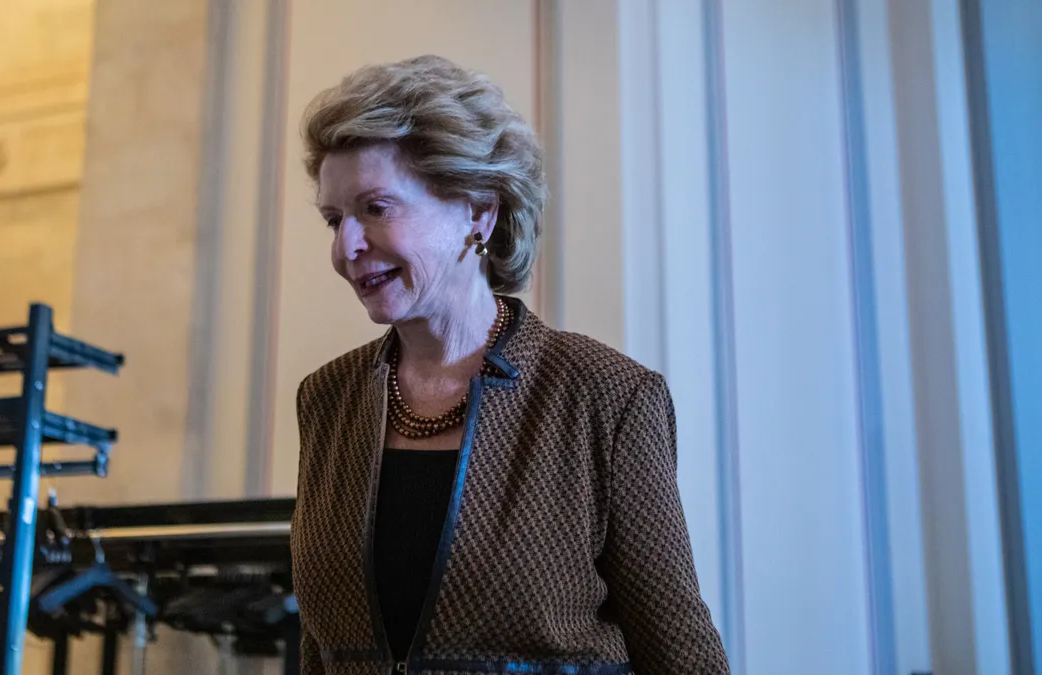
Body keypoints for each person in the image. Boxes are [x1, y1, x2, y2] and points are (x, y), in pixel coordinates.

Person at [290, 54, 730, 675]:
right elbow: (321, 651)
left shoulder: (606, 395)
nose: (346, 247)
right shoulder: (327, 397)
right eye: (334, 220)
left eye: (376, 209)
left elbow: (678, 648)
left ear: (478, 212)